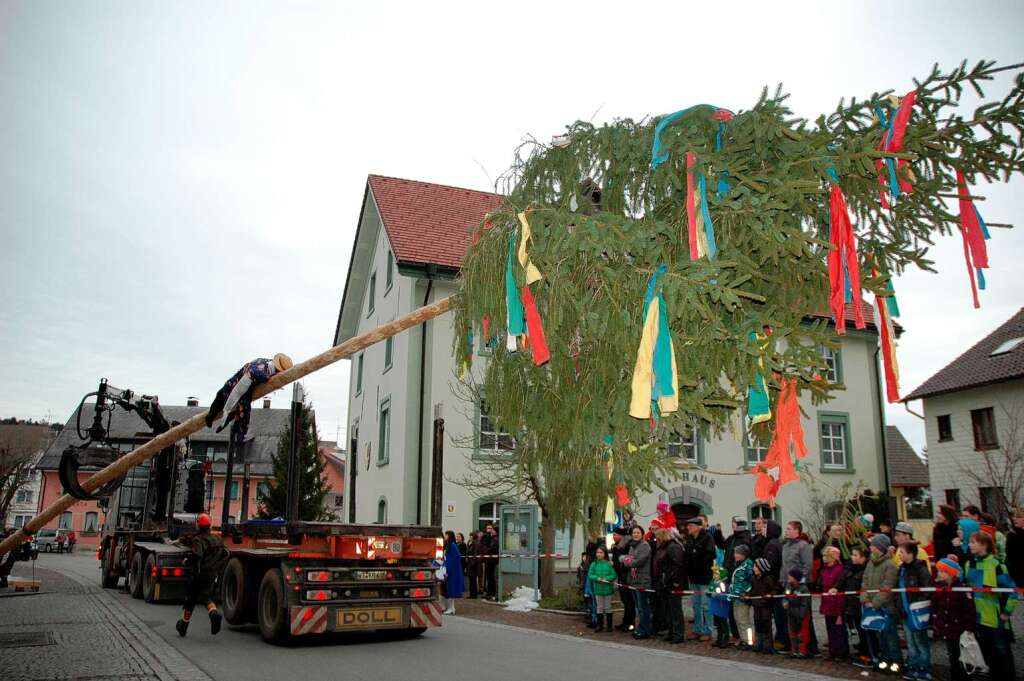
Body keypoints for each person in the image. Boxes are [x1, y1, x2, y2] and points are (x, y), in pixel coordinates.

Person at [964, 530, 1017, 679]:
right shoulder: (970, 564)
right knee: (986, 651)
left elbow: (1012, 591)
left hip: (995, 617)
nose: (970, 545)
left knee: (1002, 650)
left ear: (984, 545)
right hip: (977, 616)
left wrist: (1007, 612)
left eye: (973, 542)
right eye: (970, 542)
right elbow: (969, 586)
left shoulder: (997, 565)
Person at [175, 513, 228, 637]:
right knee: (206, 596)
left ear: (199, 525)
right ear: (209, 525)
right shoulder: (217, 539)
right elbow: (226, 553)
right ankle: (213, 612)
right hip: (212, 573)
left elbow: (197, 555)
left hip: (199, 573)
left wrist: (187, 561)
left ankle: (183, 625)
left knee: (191, 599)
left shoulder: (198, 540)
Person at [860, 533, 902, 674]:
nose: (870, 547)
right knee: (879, 636)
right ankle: (883, 660)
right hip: (872, 605)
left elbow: (887, 587)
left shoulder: (890, 565)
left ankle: (896, 661)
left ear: (880, 547)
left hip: (885, 607)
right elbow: (865, 581)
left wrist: (875, 602)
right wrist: (865, 598)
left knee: (890, 635)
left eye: (873, 545)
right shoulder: (870, 563)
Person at [930, 558, 975, 681]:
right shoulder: (940, 587)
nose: (938, 574)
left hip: (959, 628)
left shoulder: (961, 588)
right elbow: (936, 607)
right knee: (953, 657)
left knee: (962, 658)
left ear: (950, 573)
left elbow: (969, 610)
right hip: (947, 628)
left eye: (941, 571)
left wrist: (969, 628)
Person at [897, 541, 932, 680]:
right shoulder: (901, 569)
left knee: (920, 640)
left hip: (916, 612)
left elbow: (927, 589)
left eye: (902, 552)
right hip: (905, 610)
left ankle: (924, 667)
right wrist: (899, 605)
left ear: (911, 554)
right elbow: (897, 590)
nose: (900, 555)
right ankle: (912, 664)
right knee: (910, 640)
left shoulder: (919, 569)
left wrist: (919, 605)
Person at [684, 517, 715, 641]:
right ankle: (697, 629)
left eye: (690, 526)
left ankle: (707, 630)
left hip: (705, 576)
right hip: (693, 577)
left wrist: (696, 556)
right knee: (696, 605)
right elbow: (687, 554)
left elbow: (710, 554)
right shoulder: (690, 539)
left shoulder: (707, 538)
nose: (688, 528)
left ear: (698, 526)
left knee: (705, 605)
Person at [653, 527, 686, 643]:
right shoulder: (663, 548)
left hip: (672, 583)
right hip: (664, 583)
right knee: (668, 610)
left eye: (657, 537)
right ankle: (671, 632)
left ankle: (678, 634)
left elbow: (677, 565)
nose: (656, 539)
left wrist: (672, 579)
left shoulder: (673, 547)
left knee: (675, 610)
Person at [621, 525, 652, 639]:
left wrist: (625, 560)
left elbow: (636, 562)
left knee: (643, 608)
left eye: (638, 532)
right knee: (638, 607)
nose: (635, 534)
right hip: (634, 581)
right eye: (634, 532)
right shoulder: (632, 546)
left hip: (642, 581)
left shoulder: (644, 546)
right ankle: (640, 628)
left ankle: (645, 630)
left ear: (642, 534)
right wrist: (627, 559)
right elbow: (629, 559)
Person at [723, 517, 751, 642]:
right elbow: (723, 545)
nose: (732, 526)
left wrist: (746, 591)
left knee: (743, 618)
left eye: (734, 524)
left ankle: (748, 640)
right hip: (733, 586)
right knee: (735, 615)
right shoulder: (732, 538)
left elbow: (750, 579)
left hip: (742, 592)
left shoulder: (745, 540)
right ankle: (738, 636)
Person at [819, 545, 849, 661]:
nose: (824, 558)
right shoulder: (825, 569)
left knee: (839, 629)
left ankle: (841, 652)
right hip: (827, 602)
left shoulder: (839, 569)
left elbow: (839, 585)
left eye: (826, 555)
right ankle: (832, 650)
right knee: (830, 628)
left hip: (837, 603)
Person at [843, 544, 871, 667]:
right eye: (852, 555)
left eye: (855, 555)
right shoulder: (850, 568)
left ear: (863, 557)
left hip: (861, 603)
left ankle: (868, 654)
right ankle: (863, 651)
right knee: (860, 630)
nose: (852, 557)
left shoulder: (866, 570)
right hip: (852, 603)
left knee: (866, 631)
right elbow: (843, 580)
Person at [748, 557, 779, 654]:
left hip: (765, 605)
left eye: (755, 567)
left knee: (766, 624)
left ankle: (767, 645)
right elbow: (752, 590)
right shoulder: (754, 578)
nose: (754, 568)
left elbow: (775, 589)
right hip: (756, 604)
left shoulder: (768, 578)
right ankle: (758, 643)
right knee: (757, 623)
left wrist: (770, 595)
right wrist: (747, 595)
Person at [729, 544, 754, 650]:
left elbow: (752, 581)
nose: (735, 555)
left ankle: (749, 641)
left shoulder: (748, 565)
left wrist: (747, 592)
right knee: (738, 619)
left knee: (744, 620)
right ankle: (743, 639)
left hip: (743, 597)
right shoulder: (738, 563)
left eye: (737, 553)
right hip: (735, 596)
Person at [610, 527, 636, 631]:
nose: (613, 537)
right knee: (625, 602)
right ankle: (626, 622)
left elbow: (627, 561)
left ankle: (630, 624)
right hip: (621, 577)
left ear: (621, 536)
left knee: (629, 602)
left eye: (615, 534)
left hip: (626, 577)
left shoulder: (626, 546)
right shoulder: (618, 546)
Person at [587, 546, 617, 633]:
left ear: (605, 554)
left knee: (608, 607)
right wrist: (597, 578)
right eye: (598, 552)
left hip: (608, 589)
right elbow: (590, 574)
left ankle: (609, 626)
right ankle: (599, 626)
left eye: (601, 552)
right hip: (598, 589)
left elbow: (614, 575)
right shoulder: (594, 564)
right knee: (599, 608)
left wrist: (607, 578)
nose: (599, 554)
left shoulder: (609, 564)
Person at [784, 568, 812, 658]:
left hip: (801, 615)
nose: (788, 578)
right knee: (792, 633)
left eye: (790, 576)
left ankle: (803, 651)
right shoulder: (788, 586)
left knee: (802, 634)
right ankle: (794, 650)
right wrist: (784, 603)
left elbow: (804, 605)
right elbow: (785, 597)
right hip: (791, 613)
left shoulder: (803, 589)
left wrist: (799, 613)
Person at [441, 530, 464, 615]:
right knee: (447, 589)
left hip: (452, 571)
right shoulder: (449, 545)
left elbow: (453, 559)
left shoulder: (452, 546)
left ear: (449, 536)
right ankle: (449, 607)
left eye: (446, 535)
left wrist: (447, 570)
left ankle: (451, 608)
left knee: (451, 589)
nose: (445, 536)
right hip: (448, 569)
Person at [710, 564, 731, 648]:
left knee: (723, 624)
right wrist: (709, 593)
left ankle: (726, 639)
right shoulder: (713, 582)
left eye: (716, 574)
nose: (714, 575)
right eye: (714, 574)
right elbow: (710, 591)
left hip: (721, 607)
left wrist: (717, 595)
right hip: (716, 606)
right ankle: (719, 639)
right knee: (717, 624)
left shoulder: (723, 584)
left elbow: (725, 596)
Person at [1007, 507, 1024, 589]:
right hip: (1018, 575)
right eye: (1014, 517)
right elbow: (1010, 555)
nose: (1015, 519)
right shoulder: (1012, 534)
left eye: (1019, 517)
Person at [481, 524, 498, 599]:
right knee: (488, 577)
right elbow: (484, 543)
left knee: (491, 577)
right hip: (489, 559)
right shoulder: (490, 537)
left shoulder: (496, 539)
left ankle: (492, 593)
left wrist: (485, 550)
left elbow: (491, 548)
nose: (491, 531)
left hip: (492, 560)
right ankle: (489, 592)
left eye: (492, 530)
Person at [465, 531, 482, 599]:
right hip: (470, 563)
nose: (469, 537)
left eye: (470, 536)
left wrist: (471, 563)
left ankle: (473, 595)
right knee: (471, 580)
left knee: (473, 580)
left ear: (473, 536)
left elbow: (475, 554)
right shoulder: (470, 543)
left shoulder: (476, 543)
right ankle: (472, 594)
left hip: (473, 564)